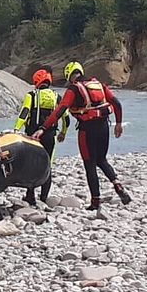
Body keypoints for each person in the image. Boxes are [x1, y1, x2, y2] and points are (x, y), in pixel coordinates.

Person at [34, 62, 131, 211]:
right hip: (104, 125)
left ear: (69, 76)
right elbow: (116, 103)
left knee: (89, 164)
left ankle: (95, 201)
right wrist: (118, 124)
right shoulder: (97, 83)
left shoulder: (74, 89)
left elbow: (60, 110)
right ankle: (117, 184)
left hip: (87, 130)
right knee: (102, 159)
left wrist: (43, 128)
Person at [15, 68, 69, 206]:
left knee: (31, 164)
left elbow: (24, 113)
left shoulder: (31, 95)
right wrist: (63, 132)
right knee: (48, 165)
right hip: (50, 134)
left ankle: (30, 196)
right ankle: (44, 197)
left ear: (36, 81)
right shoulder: (56, 96)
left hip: (32, 136)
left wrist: (16, 128)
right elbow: (66, 117)